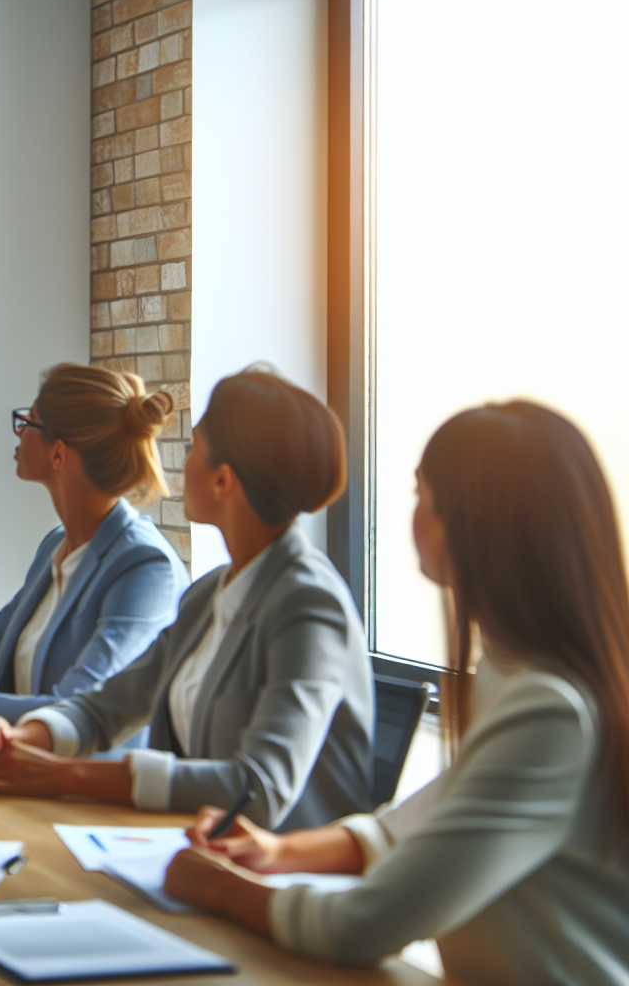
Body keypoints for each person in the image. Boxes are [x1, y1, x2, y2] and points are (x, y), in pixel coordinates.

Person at [164, 402, 629, 984]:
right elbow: (410, 826)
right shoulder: (513, 673)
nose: (410, 513)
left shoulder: (552, 711)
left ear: (472, 520)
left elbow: (365, 923)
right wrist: (277, 853)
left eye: (419, 494)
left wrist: (212, 885)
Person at [0, 367, 373, 832]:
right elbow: (101, 709)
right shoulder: (209, 595)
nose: (181, 463)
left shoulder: (309, 604)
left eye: (195, 448)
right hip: (193, 853)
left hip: (281, 879)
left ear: (223, 481)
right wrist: (19, 739)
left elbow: (259, 787)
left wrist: (62, 774)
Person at [0, 364, 189, 726]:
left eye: (28, 423)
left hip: (81, 777)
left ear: (58, 453)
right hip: (15, 764)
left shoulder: (145, 566)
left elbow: (75, 708)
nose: (18, 434)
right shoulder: (56, 546)